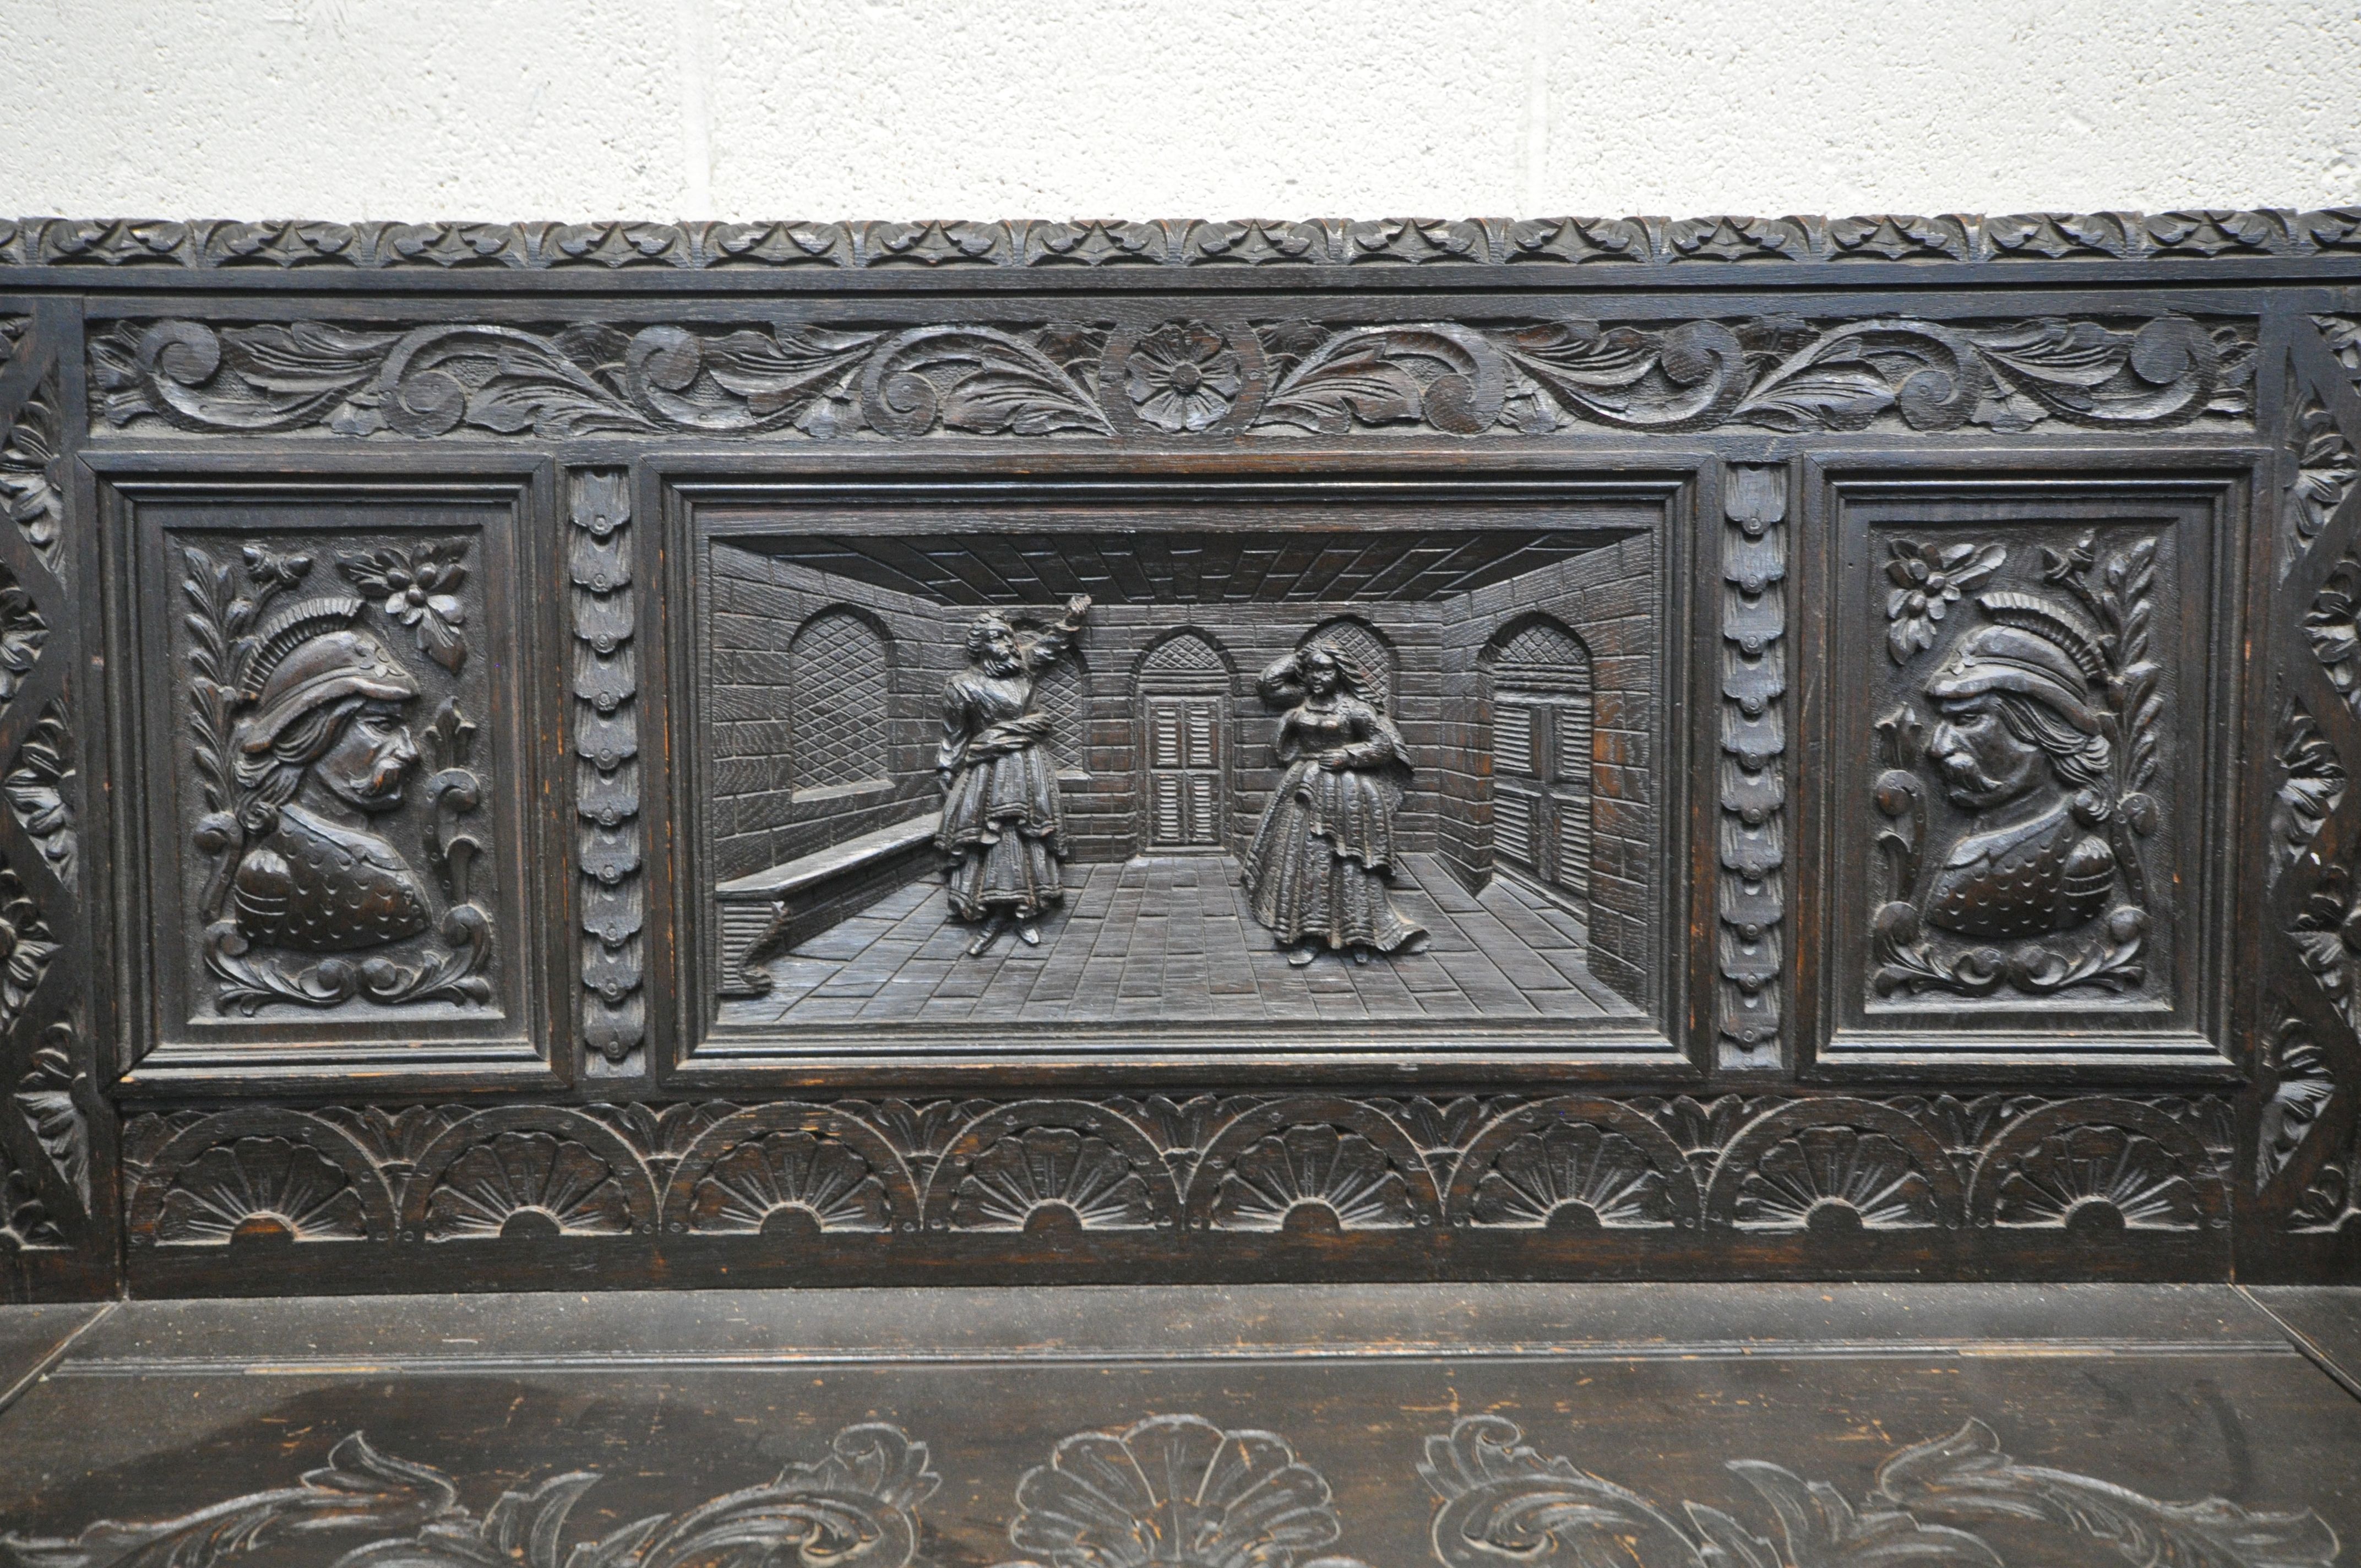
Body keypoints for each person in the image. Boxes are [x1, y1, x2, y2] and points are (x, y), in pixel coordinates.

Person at [219, 616, 431, 952]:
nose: (410, 751)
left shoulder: (362, 855)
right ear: (310, 735)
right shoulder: (286, 868)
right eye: (382, 726)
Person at [1918, 599, 2118, 939]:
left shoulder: (2079, 863)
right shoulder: (1984, 841)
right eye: (1943, 723)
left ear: (2047, 733)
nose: (1937, 747)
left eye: (1967, 720)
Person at [1241, 641, 1428, 966]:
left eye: (1326, 669)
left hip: (1349, 794)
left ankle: (1362, 937)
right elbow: (1268, 683)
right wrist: (1303, 655)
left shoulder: (1355, 708)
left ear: (1340, 673)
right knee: (1307, 863)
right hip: (1304, 791)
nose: (1318, 676)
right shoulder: (1300, 701)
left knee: (1351, 863)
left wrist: (1348, 755)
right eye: (1313, 669)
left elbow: (1384, 746)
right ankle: (1310, 936)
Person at [937, 595, 1091, 956]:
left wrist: (1071, 619)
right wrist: (947, 771)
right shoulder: (962, 686)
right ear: (981, 646)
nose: (1009, 643)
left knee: (1027, 839)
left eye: (1009, 637)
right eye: (999, 638)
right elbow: (954, 737)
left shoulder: (1021, 666)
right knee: (990, 840)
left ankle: (1026, 913)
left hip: (1027, 767)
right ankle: (991, 916)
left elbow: (1051, 645)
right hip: (988, 772)